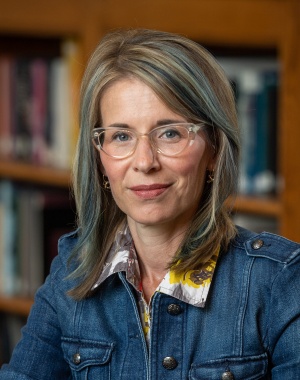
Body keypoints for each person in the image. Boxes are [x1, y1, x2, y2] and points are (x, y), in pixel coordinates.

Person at [1, 28, 300, 379]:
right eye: (121, 136)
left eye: (170, 133)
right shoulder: (73, 269)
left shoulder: (280, 280)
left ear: (215, 150)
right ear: (99, 158)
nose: (144, 162)